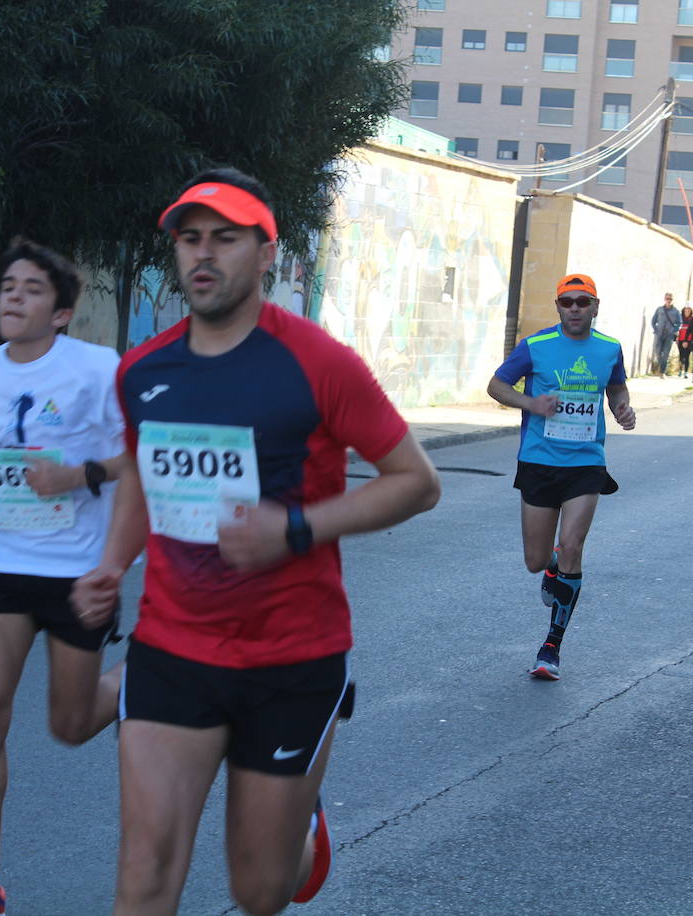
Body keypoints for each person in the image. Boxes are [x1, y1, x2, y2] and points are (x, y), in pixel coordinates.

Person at [71, 167, 440, 916]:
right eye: (190, 238)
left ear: (267, 253)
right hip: (172, 649)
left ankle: (303, 824)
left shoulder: (317, 362)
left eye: (226, 239)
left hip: (292, 659)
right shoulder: (143, 371)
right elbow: (145, 475)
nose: (202, 254)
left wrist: (295, 528)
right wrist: (111, 563)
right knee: (143, 874)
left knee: (261, 890)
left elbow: (415, 480)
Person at [0, 238, 129, 916]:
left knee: (70, 723)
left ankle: (145, 673)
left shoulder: (98, 370)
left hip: (75, 571)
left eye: (32, 288)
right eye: (8, 285)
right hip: (3, 566)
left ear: (62, 312)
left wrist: (78, 475)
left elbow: (140, 453)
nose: (14, 295)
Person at [486, 273, 636, 680]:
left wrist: (623, 408)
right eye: (567, 302)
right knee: (537, 561)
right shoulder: (536, 347)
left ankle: (551, 646)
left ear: (595, 306)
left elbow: (617, 388)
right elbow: (497, 385)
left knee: (572, 545)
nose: (574, 309)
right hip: (539, 461)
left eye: (582, 302)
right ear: (558, 307)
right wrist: (530, 403)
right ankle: (552, 567)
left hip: (586, 463)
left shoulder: (609, 349)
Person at [650, 292, 681, 377]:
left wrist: (674, 330)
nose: (668, 300)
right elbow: (653, 321)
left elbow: (679, 323)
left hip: (669, 335)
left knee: (666, 354)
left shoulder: (676, 311)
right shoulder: (659, 309)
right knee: (658, 352)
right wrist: (656, 329)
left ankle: (662, 372)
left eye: (670, 299)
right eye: (667, 298)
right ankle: (661, 368)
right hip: (659, 334)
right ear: (664, 299)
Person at [676, 305, 693, 377]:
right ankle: (680, 371)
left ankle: (686, 372)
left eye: (689, 310)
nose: (687, 312)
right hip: (680, 339)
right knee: (681, 356)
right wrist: (677, 338)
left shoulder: (692, 319)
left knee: (687, 356)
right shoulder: (680, 318)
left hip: (689, 340)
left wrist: (689, 341)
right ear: (683, 310)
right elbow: (677, 329)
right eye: (686, 310)